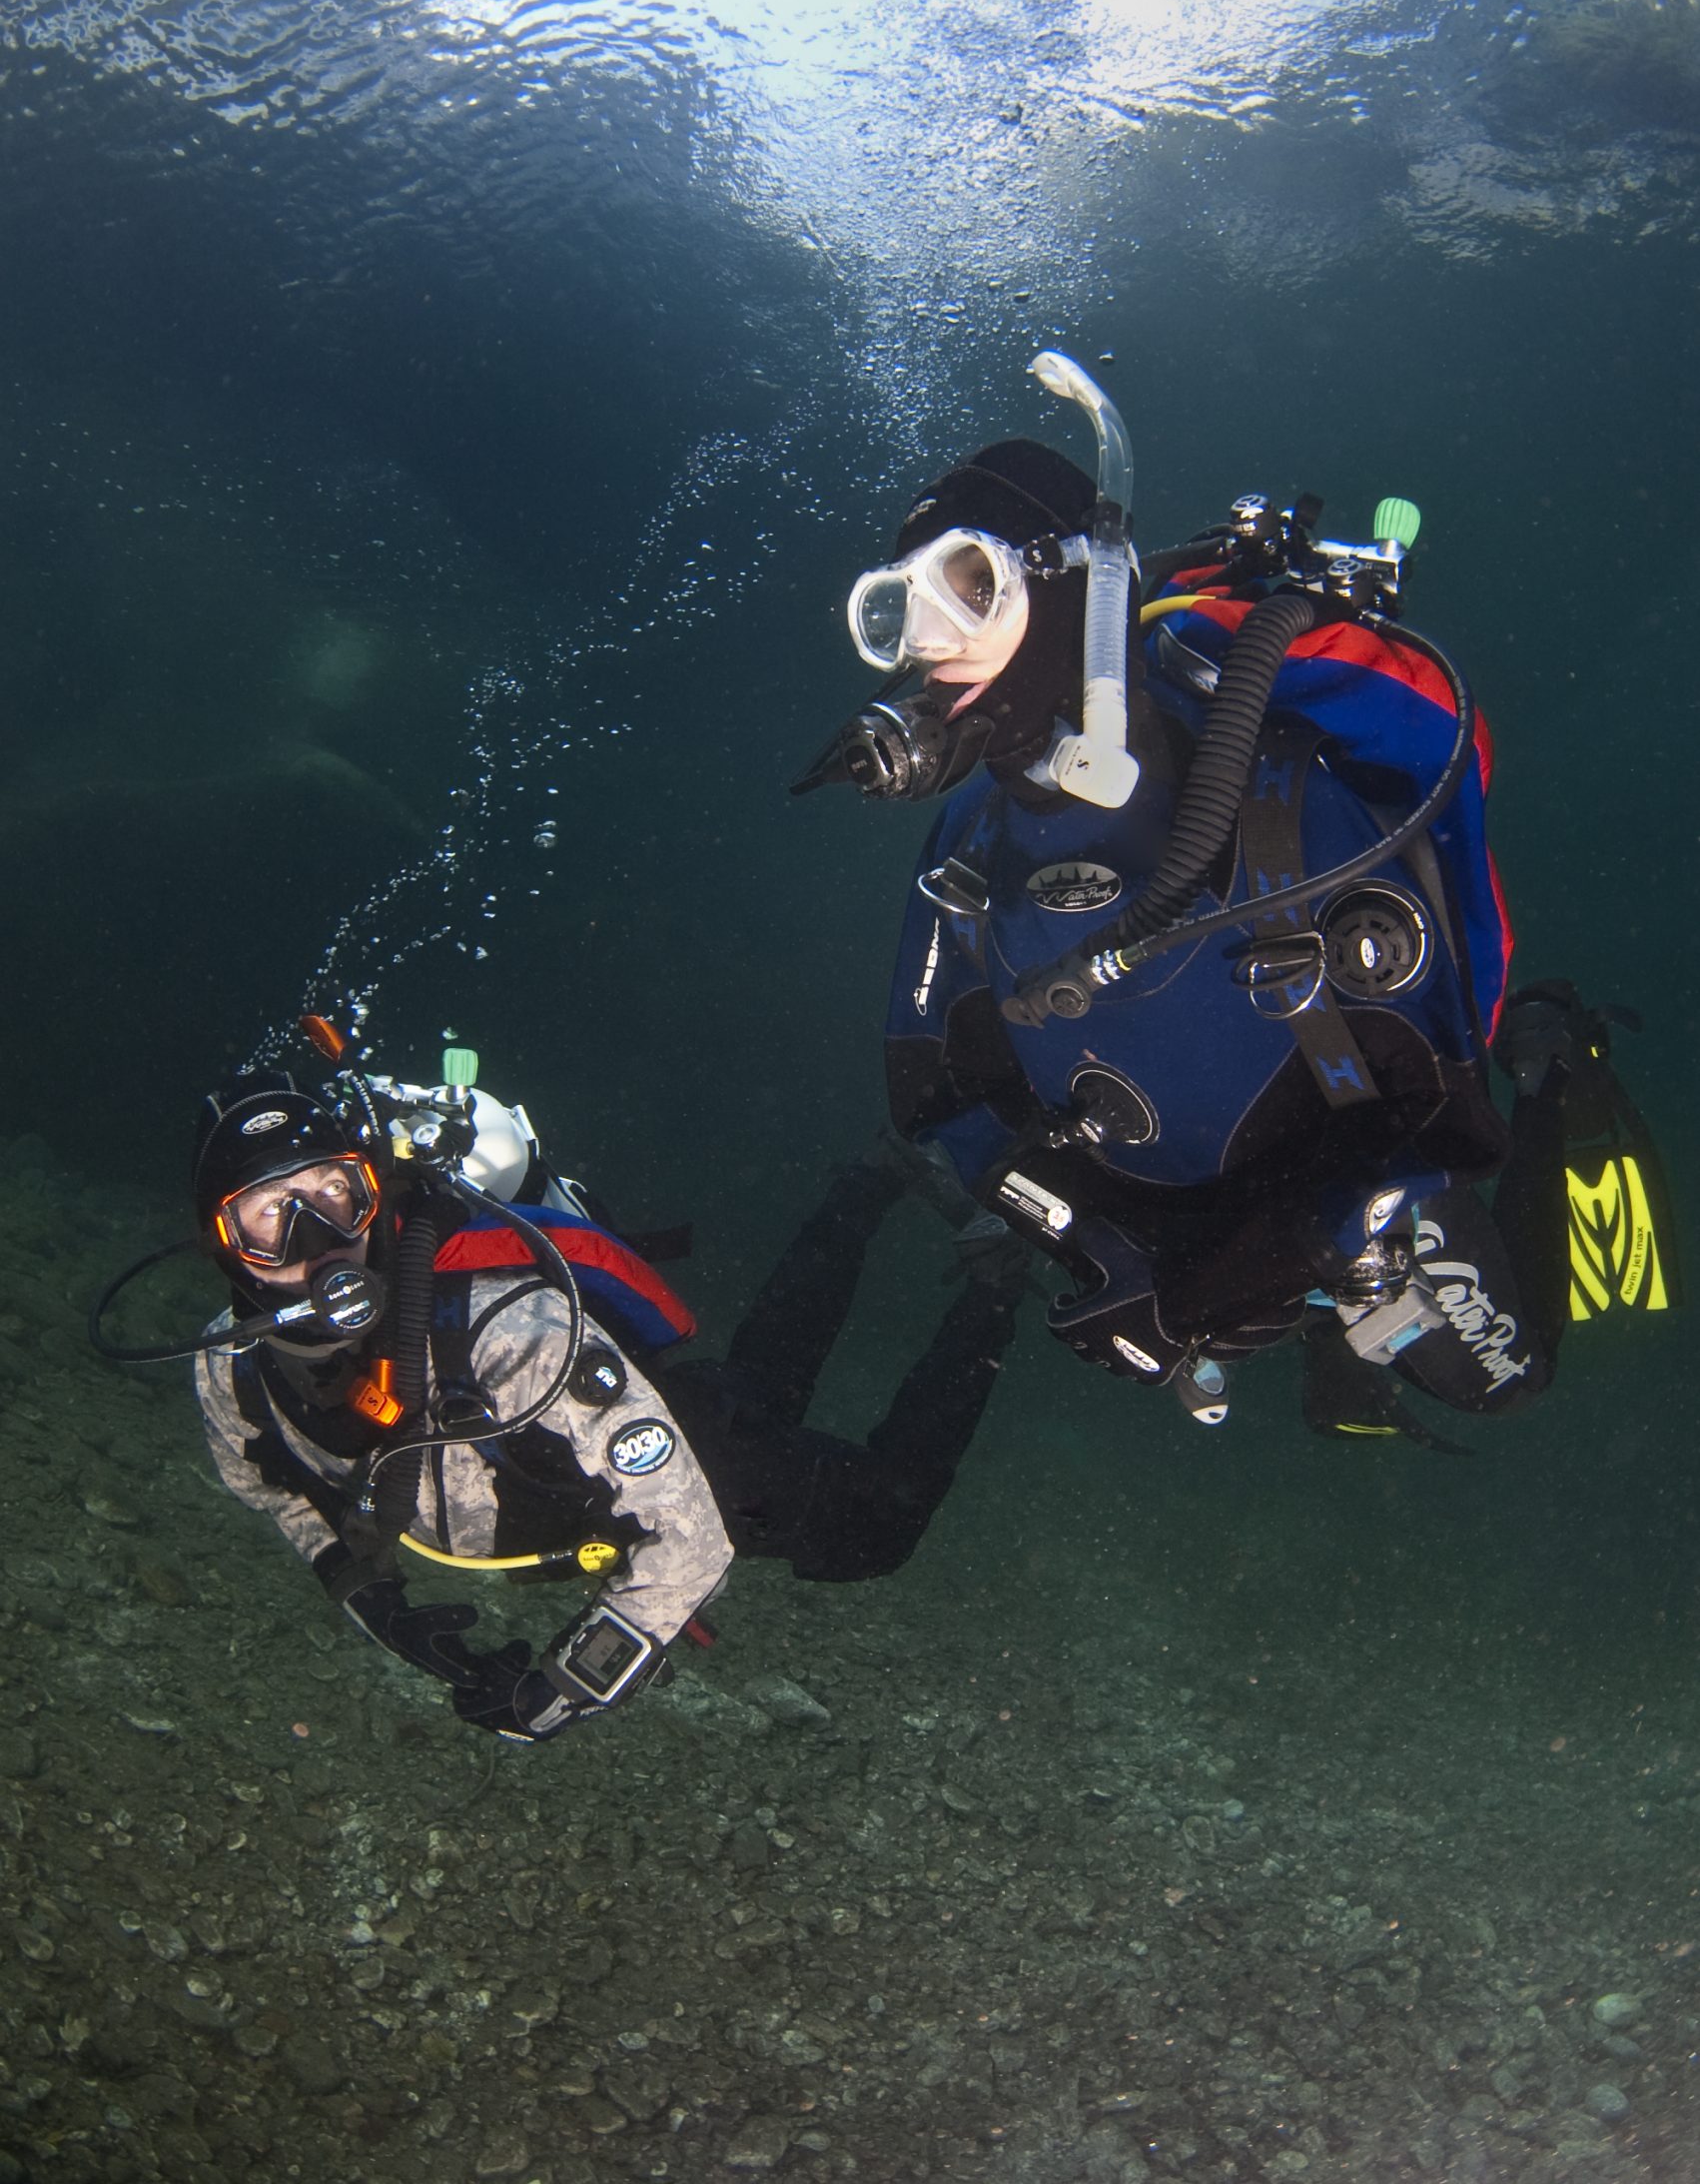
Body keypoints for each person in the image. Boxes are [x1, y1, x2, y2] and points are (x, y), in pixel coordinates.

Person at [793, 351, 1677, 1436]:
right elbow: (935, 1098)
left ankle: (1550, 1061)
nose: (933, 646)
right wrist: (1117, 1254)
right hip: (1187, 1232)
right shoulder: (970, 838)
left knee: (1504, 1379)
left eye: (967, 587)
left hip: (1351, 1197)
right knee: (1333, 1362)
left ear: (1074, 572)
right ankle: (1323, 1333)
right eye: (897, 613)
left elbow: (1445, 748)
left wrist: (1233, 635)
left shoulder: (1228, 718)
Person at [113, 1047, 1024, 1744]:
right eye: (270, 1217)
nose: (319, 1238)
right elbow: (270, 1486)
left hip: (700, 1470)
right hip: (600, 1462)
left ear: (373, 1195)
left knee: (883, 1525)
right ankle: (867, 1183)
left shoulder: (509, 1328)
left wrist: (562, 1688)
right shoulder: (229, 1366)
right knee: (765, 1376)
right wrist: (374, 1600)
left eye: (334, 1196)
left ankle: (995, 1287)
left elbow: (690, 1536)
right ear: (222, 1247)